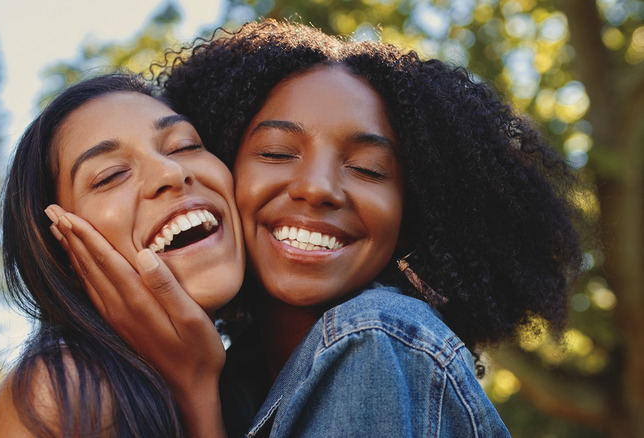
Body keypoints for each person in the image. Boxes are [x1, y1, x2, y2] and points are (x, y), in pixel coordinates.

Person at [56, 20, 584, 437]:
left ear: (409, 217)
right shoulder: (230, 377)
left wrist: (195, 394)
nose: (319, 188)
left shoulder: (373, 341)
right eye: (278, 153)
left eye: (368, 170)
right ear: (224, 173)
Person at [0, 73, 245, 437]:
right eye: (111, 175)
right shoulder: (61, 391)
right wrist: (194, 392)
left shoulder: (259, 380)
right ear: (62, 250)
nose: (171, 171)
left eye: (184, 146)